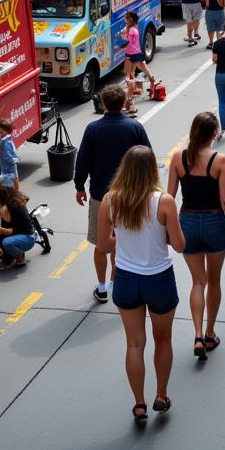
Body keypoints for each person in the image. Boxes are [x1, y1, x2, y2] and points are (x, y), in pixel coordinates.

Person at [97, 145, 185, 423]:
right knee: (163, 339)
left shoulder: (110, 200)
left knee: (134, 344)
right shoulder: (165, 201)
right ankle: (161, 394)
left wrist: (123, 240)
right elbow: (180, 245)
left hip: (126, 278)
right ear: (151, 170)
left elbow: (102, 245)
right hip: (158, 278)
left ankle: (139, 404)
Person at [166, 112, 225, 361]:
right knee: (215, 281)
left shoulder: (179, 157)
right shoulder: (220, 160)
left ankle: (197, 334)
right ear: (214, 133)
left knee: (198, 281)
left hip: (187, 221)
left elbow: (169, 196)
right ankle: (210, 333)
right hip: (214, 221)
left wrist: (169, 227)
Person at [74, 84, 152, 303]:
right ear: (125, 102)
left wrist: (79, 186)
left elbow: (83, 160)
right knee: (121, 241)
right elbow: (148, 158)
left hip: (101, 195)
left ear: (104, 104)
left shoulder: (93, 129)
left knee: (101, 244)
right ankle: (117, 283)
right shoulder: (135, 127)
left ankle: (101, 288)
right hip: (130, 195)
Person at [0, 183, 37, 273]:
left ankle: (19, 255)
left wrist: (0, 229)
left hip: (26, 237)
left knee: (7, 242)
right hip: (5, 236)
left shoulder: (17, 210)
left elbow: (15, 231)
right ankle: (6, 257)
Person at [119, 10, 155, 114]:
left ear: (132, 19)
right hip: (135, 54)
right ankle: (151, 85)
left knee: (130, 78)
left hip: (132, 56)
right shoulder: (131, 27)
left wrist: (121, 46)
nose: (126, 20)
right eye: (125, 18)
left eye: (128, 18)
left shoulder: (132, 31)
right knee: (143, 71)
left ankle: (129, 100)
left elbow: (128, 42)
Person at [0, 117, 20, 192]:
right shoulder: (6, 139)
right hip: (8, 164)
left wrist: (13, 160)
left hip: (8, 164)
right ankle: (16, 194)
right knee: (13, 179)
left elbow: (7, 154)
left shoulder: (4, 141)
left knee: (13, 179)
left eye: (1, 130)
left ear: (6, 130)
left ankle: (16, 194)